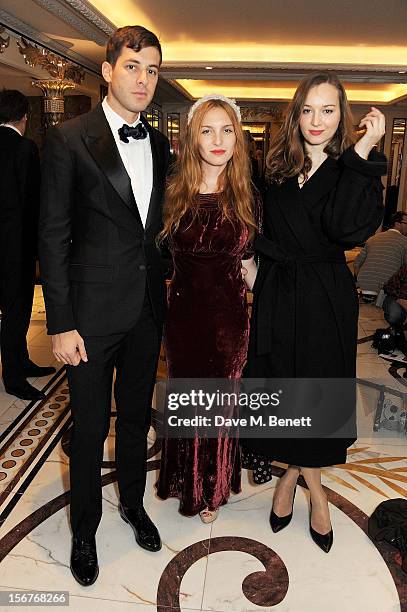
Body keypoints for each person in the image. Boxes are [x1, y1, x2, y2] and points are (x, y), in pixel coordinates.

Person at [39, 26, 170, 586]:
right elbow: (53, 235)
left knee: (137, 419)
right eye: (133, 66)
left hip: (145, 310)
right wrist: (61, 322)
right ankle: (86, 529)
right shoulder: (70, 138)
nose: (143, 79)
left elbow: (156, 230)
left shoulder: (161, 142)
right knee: (90, 429)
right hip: (89, 318)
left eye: (153, 70)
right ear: (109, 70)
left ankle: (134, 504)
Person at [243, 73, 386, 553]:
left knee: (317, 398)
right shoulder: (277, 167)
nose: (316, 120)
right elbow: (255, 228)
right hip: (279, 292)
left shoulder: (357, 168)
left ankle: (301, 487)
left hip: (326, 296)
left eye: (328, 110)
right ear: (295, 113)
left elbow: (347, 230)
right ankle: (306, 486)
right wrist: (253, 278)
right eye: (308, 109)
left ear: (342, 115)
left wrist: (363, 151)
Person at [155, 94, 259, 523]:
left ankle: (212, 486)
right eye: (207, 130)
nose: (218, 140)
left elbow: (251, 265)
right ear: (193, 138)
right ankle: (186, 480)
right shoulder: (172, 192)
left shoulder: (249, 196)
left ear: (237, 138)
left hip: (228, 322)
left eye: (226, 130)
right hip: (182, 320)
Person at [0, 89, 55, 401]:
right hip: (14, 248)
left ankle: (21, 361)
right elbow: (34, 201)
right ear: (24, 117)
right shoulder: (24, 148)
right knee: (15, 312)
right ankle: (14, 378)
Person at [354, 211, 407, 303]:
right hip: (385, 292)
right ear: (397, 223)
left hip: (362, 288)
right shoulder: (405, 242)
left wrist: (363, 280)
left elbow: (356, 264)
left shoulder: (372, 239)